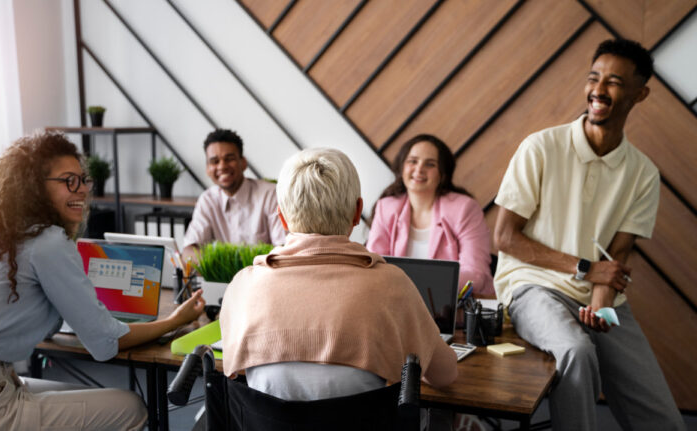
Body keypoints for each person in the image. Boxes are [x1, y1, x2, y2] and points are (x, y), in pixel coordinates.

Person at [0, 133, 205, 431]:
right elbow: (104, 343)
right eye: (68, 181)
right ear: (33, 187)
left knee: (71, 394)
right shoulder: (46, 241)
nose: (83, 190)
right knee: (131, 407)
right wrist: (175, 320)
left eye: (83, 180)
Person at [493, 39, 684, 430]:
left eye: (613, 82)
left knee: (664, 420)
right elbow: (505, 238)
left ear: (640, 93)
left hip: (601, 297)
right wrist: (584, 268)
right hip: (532, 287)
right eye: (593, 78)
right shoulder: (540, 147)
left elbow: (614, 262)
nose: (598, 90)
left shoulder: (642, 173)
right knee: (576, 350)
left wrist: (600, 307)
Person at [219, 148, 458, 402]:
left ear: (282, 219)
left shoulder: (243, 286)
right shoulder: (393, 285)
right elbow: (445, 375)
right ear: (357, 212)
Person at [367, 134, 494, 295]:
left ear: (443, 173)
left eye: (430, 164)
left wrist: (424, 286)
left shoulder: (464, 208)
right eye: (412, 161)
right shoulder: (386, 207)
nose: (419, 169)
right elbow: (373, 266)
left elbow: (476, 273)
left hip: (452, 308)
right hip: (397, 304)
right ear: (401, 167)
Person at [181, 129, 285, 260]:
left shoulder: (271, 195)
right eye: (214, 161)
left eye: (229, 159)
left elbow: (283, 250)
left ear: (243, 163)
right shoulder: (207, 200)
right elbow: (189, 251)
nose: (222, 166)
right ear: (207, 169)